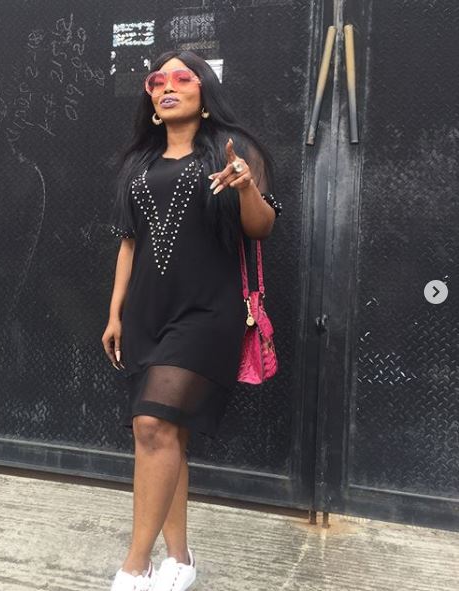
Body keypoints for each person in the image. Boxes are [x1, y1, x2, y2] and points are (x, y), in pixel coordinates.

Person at [101, 49, 282, 591]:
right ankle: (179, 561)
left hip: (207, 311)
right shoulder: (139, 162)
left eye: (183, 78)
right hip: (145, 314)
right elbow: (129, 241)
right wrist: (114, 312)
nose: (168, 86)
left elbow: (262, 228)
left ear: (204, 91)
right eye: (157, 80)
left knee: (151, 426)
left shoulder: (234, 149)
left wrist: (246, 185)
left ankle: (134, 567)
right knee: (167, 434)